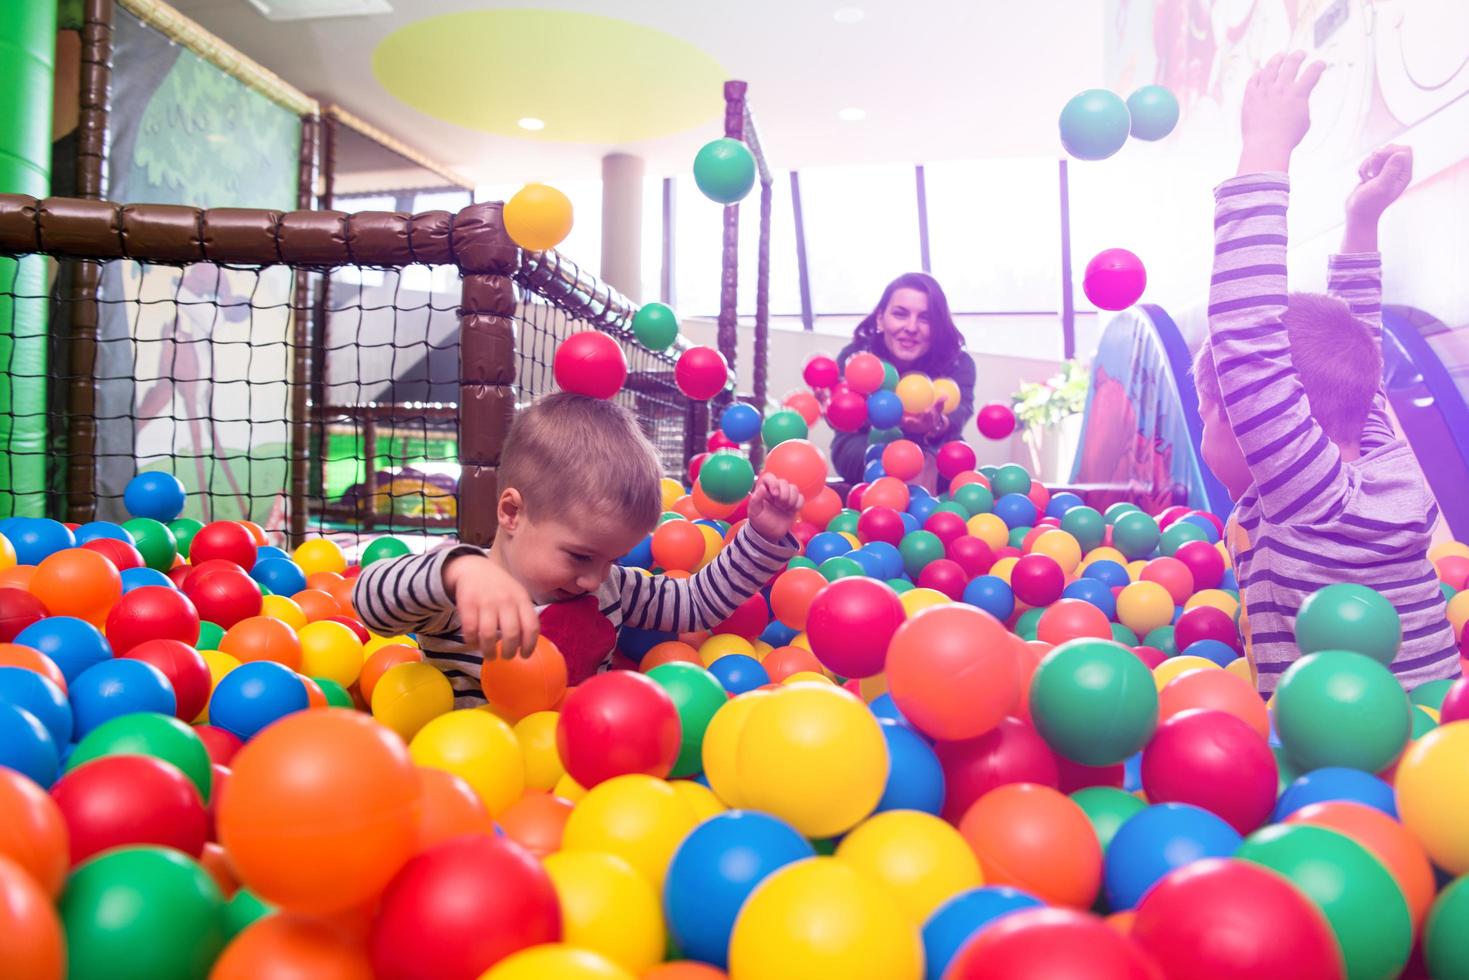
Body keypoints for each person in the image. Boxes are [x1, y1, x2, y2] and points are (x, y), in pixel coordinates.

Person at [1192, 51, 1458, 693]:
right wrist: (1362, 220)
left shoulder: (1310, 500)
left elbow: (1247, 339)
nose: (1209, 419)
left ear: (1251, 417)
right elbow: (1354, 352)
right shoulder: (1377, 456)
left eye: (1211, 406)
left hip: (1354, 768)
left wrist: (1264, 148)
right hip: (1431, 736)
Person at [354, 392, 803, 706]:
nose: (594, 579)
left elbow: (694, 604)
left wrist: (760, 537)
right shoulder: (464, 594)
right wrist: (460, 572)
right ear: (512, 513)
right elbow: (369, 600)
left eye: (612, 559)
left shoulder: (611, 588)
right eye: (580, 556)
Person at [829, 272, 976, 485]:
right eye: (900, 314)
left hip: (936, 449)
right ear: (881, 318)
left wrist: (933, 425)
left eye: (925, 318)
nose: (911, 328)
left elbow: (959, 412)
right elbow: (847, 416)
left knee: (948, 460)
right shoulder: (857, 359)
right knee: (883, 460)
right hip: (865, 448)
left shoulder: (958, 362)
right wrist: (835, 409)